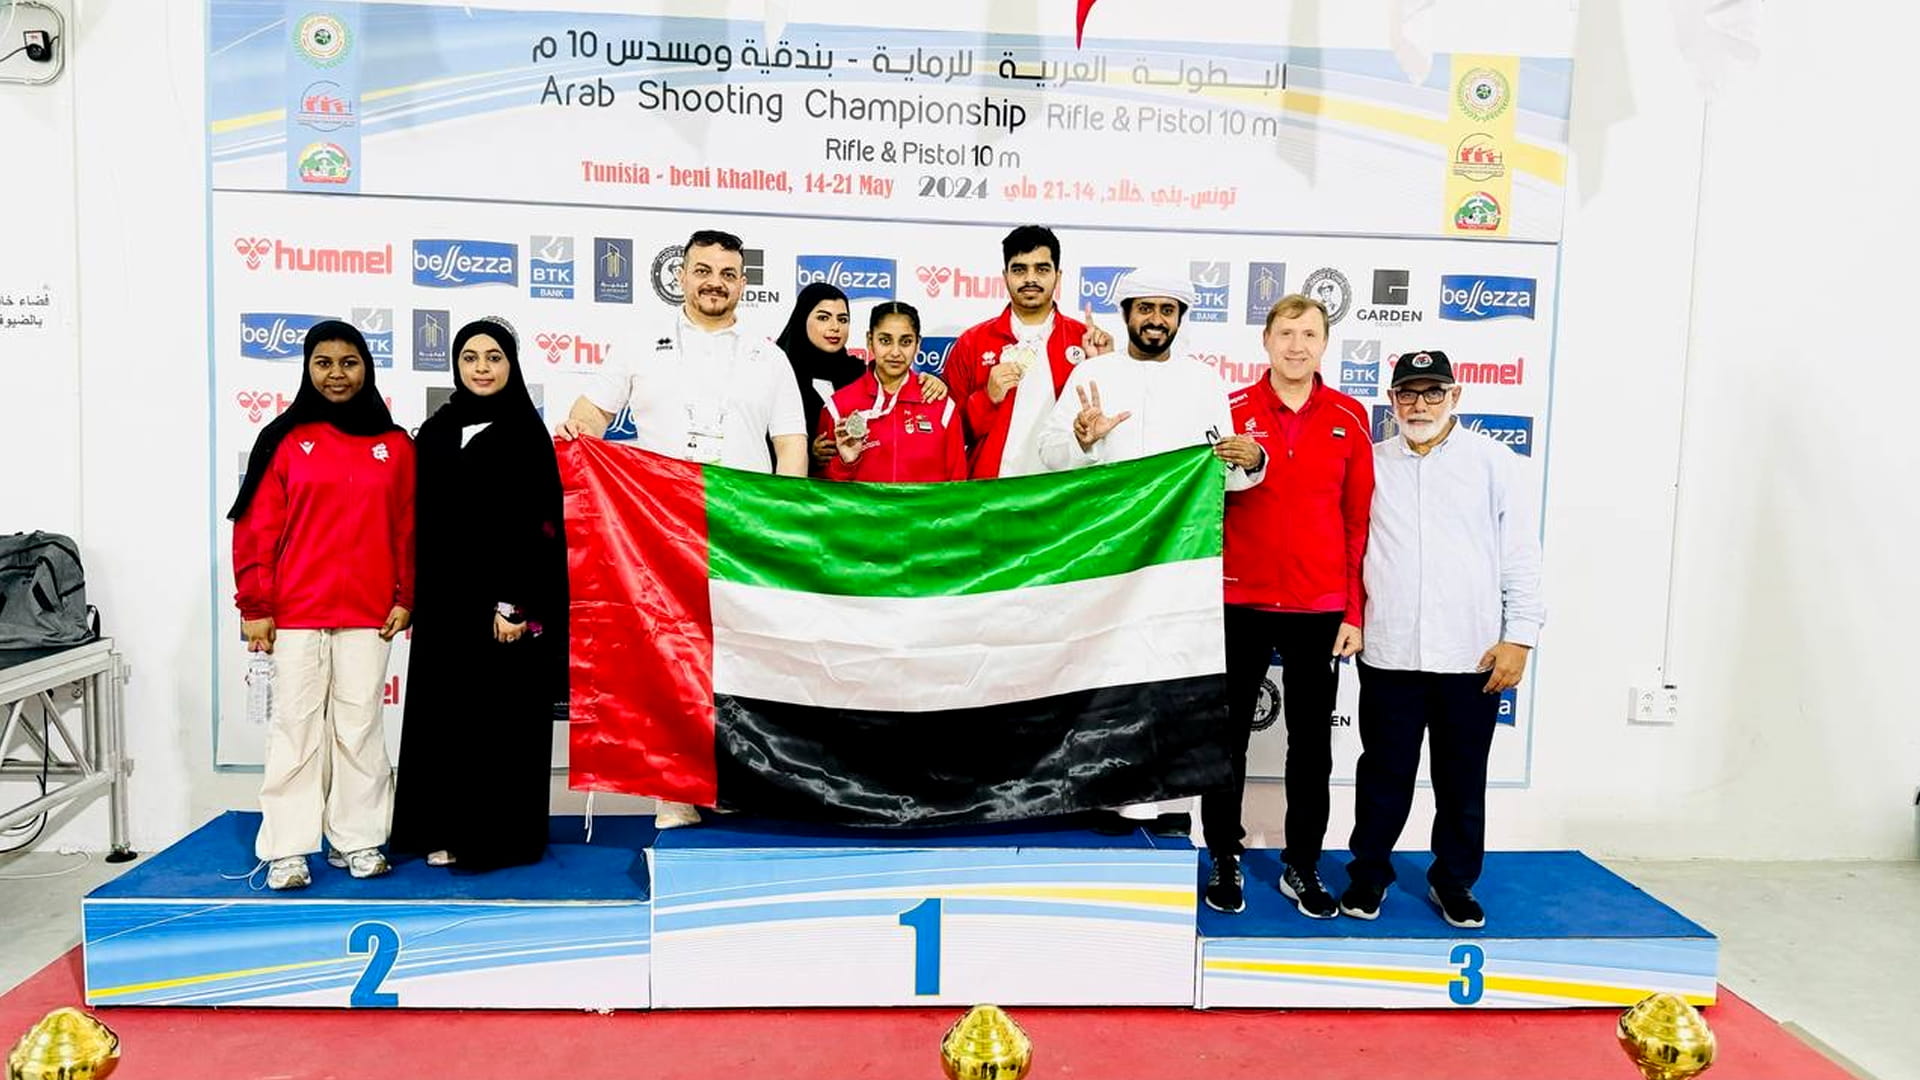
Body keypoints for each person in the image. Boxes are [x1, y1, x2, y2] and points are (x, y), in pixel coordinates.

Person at [558, 227, 806, 828]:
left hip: (744, 533)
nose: (714, 283)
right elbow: (587, 415)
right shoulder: (642, 345)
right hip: (658, 533)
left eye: (727, 273)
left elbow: (791, 447)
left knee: (744, 657)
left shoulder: (768, 357)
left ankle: (746, 780)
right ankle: (677, 790)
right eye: (702, 271)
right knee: (671, 657)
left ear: (742, 283)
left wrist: (785, 519)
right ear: (683, 276)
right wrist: (580, 439)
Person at [1035, 269, 1265, 838]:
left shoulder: (1205, 383)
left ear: (1180, 318)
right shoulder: (1093, 374)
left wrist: (1251, 462)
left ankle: (1164, 803)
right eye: (1146, 308)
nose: (1156, 319)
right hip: (1103, 561)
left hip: (1175, 565)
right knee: (1103, 673)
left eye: (1167, 309)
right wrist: (1083, 440)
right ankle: (1101, 796)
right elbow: (1050, 454)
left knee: (1168, 675)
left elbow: (1223, 479)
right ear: (1128, 313)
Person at [1341, 349, 1545, 929]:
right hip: (1389, 653)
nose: (1420, 405)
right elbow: (1351, 547)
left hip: (1471, 655)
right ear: (1392, 401)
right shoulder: (1371, 463)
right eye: (1408, 393)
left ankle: (1453, 882)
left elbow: (1522, 557)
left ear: (1456, 396)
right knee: (1382, 778)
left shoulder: (1493, 462)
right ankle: (1368, 877)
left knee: (1461, 784)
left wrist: (1520, 638)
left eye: (1433, 393)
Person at [1202, 294, 1374, 917]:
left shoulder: (1351, 418)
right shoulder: (1231, 411)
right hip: (1239, 599)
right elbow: (1200, 507)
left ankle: (1301, 865)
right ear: (1266, 342)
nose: (1296, 346)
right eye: (1285, 334)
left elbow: (1358, 523)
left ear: (1326, 344)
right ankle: (1225, 854)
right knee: (1226, 742)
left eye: (1309, 334)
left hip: (1318, 605)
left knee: (1313, 746)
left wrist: (1353, 611)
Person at [230, 320, 414, 890]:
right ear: (308, 369)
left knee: (360, 729)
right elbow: (256, 528)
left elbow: (409, 528)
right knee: (296, 729)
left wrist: (406, 594)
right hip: (295, 613)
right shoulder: (283, 439)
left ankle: (357, 840)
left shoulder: (397, 445)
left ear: (368, 368)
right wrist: (255, 604)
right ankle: (288, 849)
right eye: (324, 363)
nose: (337, 374)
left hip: (369, 614)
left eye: (349, 362)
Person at [390, 319, 566, 871]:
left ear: (511, 364)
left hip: (504, 606)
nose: (482, 367)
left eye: (493, 356)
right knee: (447, 719)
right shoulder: (438, 429)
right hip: (446, 603)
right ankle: (443, 827)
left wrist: (515, 602)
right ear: (456, 366)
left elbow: (539, 526)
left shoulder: (525, 433)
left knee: (499, 725)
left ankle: (496, 840)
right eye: (470, 357)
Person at [941, 225, 1114, 478]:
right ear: (1005, 275)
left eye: (1041, 269)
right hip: (991, 496)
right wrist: (987, 399)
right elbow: (947, 435)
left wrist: (1105, 365)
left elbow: (1105, 430)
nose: (1030, 279)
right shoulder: (973, 342)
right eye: (1020, 269)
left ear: (1058, 275)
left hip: (1062, 495)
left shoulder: (1085, 341)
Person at [776, 283, 949, 474]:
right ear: (802, 318)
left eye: (843, 319)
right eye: (823, 318)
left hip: (857, 493)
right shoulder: (778, 372)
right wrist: (806, 453)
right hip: (791, 491)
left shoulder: (860, 374)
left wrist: (934, 383)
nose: (835, 327)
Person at [822, 301, 967, 483]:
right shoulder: (839, 406)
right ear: (869, 341)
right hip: (863, 512)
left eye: (905, 342)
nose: (895, 352)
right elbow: (824, 494)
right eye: (885, 340)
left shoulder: (940, 404)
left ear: (918, 344)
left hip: (925, 512)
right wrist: (846, 463)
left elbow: (957, 483)